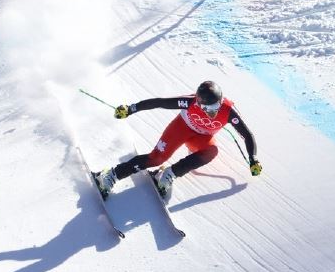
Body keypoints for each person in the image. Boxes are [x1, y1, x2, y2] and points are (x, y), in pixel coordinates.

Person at [94, 81, 261, 199]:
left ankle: (168, 174)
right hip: (181, 128)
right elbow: (159, 102)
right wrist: (130, 109)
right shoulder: (189, 102)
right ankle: (110, 175)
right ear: (199, 102)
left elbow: (246, 134)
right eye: (207, 109)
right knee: (156, 158)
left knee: (211, 151)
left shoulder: (228, 110)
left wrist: (253, 159)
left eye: (216, 107)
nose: (212, 113)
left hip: (202, 138)